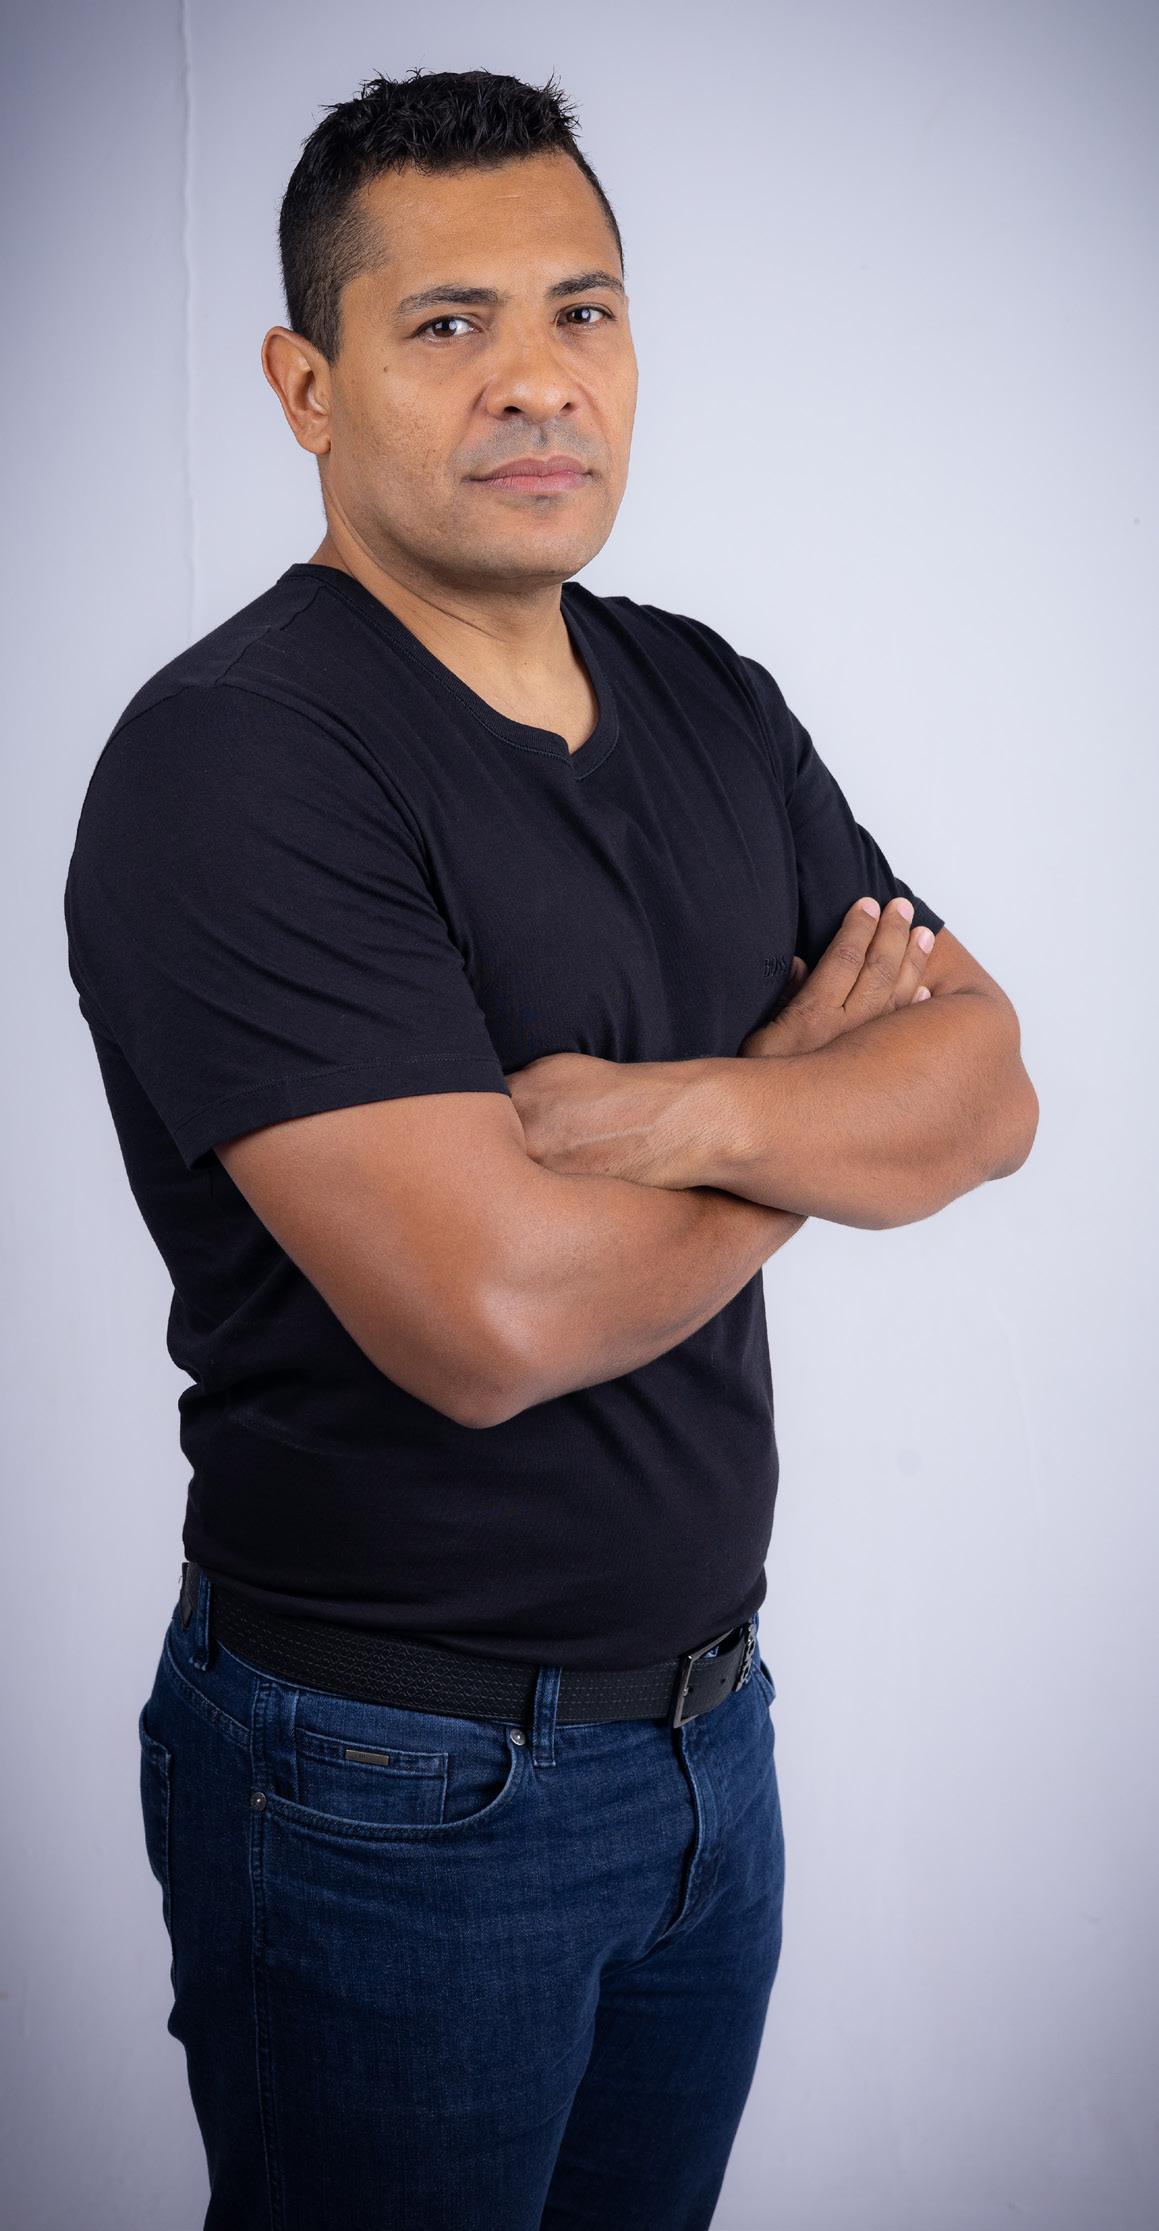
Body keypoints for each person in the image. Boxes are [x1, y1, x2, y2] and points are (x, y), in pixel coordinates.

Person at [62, 64, 1038, 2231]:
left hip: (711, 1742)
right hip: (388, 1783)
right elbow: (486, 1321)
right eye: (449, 325)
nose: (536, 380)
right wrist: (820, 1119)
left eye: (581, 312)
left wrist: (694, 1103)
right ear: (306, 388)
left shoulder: (708, 698)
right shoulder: (238, 762)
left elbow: (984, 1089)